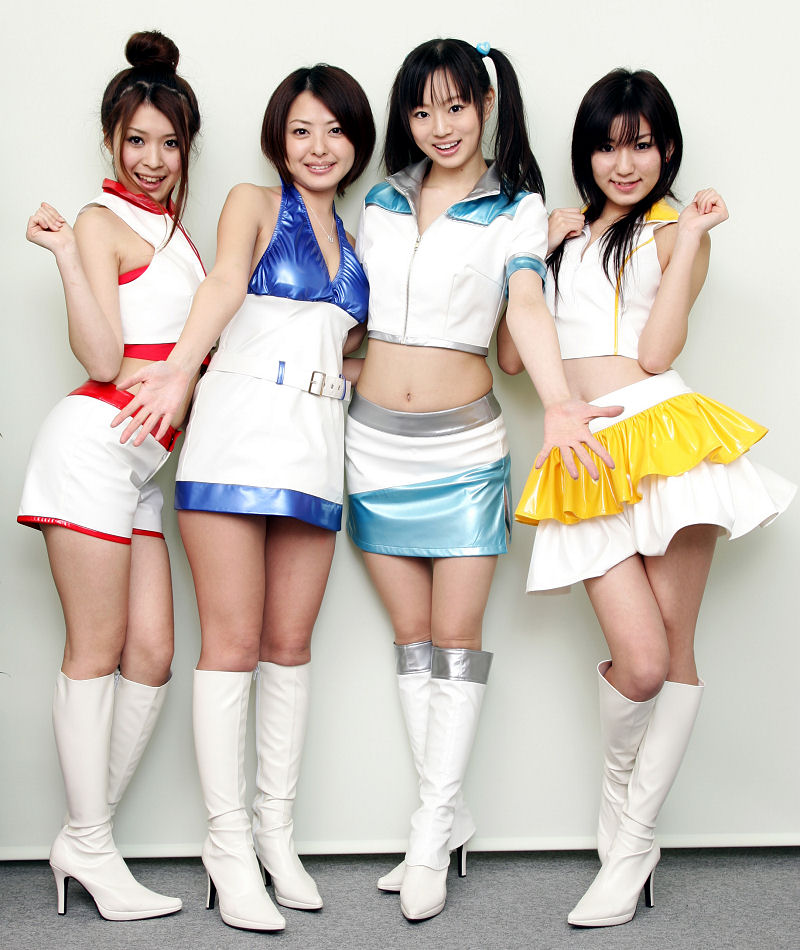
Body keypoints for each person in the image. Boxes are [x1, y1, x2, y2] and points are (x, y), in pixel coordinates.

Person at [345, 38, 621, 923]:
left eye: (456, 106)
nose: (441, 126)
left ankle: (429, 835)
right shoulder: (380, 200)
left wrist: (562, 402)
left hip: (463, 452)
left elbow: (526, 303)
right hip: (371, 447)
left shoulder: (517, 206)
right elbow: (354, 314)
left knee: (456, 639)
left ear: (487, 104)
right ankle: (450, 815)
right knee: (412, 638)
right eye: (422, 110)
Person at [515, 68, 795, 928]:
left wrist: (695, 235)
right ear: (587, 152)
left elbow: (658, 350)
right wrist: (540, 253)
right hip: (585, 451)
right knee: (635, 662)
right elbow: (512, 358)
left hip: (666, 438)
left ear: (667, 149)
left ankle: (633, 842)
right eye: (608, 145)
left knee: (672, 655)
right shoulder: (562, 232)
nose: (624, 163)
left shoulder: (676, 229)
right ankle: (620, 800)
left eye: (641, 145)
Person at [111, 65, 375, 932]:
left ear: (356, 140)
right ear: (278, 139)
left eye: (335, 129)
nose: (319, 147)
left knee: (289, 646)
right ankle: (227, 849)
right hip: (234, 435)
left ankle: (275, 836)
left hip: (315, 449)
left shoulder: (359, 238)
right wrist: (178, 371)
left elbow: (351, 351)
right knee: (231, 644)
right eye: (301, 130)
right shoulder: (253, 203)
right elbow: (225, 283)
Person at [17, 31, 203, 920]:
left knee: (153, 656)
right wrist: (64, 258)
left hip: (141, 469)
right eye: (136, 140)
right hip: (93, 446)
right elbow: (101, 357)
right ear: (110, 140)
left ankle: (82, 837)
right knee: (94, 652)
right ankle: (93, 848)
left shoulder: (177, 233)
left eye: (169, 142)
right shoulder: (98, 223)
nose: (153, 160)